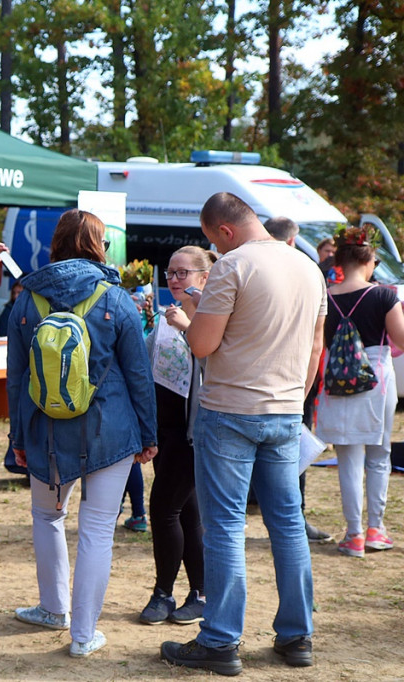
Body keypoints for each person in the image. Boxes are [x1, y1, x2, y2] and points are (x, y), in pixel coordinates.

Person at [161, 192, 325, 675]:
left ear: (224, 232)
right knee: (288, 525)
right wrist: (294, 398)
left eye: (213, 240)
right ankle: (298, 636)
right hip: (285, 411)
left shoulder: (233, 266)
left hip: (230, 410)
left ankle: (219, 640)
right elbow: (315, 347)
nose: (216, 248)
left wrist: (190, 322)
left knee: (226, 527)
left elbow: (203, 344)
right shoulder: (308, 268)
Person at [7, 209, 157, 658]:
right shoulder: (115, 297)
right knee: (96, 530)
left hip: (44, 431)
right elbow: (138, 375)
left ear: (56, 243)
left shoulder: (25, 299)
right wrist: (149, 433)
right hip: (109, 432)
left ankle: (54, 609)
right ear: (98, 245)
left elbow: (17, 378)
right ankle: (83, 634)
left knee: (47, 517)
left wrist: (18, 435)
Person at [314, 226, 404, 558]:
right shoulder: (383, 295)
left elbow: (319, 342)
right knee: (379, 456)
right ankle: (375, 530)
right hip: (376, 379)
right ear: (369, 260)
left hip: (337, 379)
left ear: (339, 259)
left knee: (349, 458)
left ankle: (353, 535)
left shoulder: (326, 294)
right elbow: (401, 339)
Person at [138, 245, 215, 626]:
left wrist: (187, 328)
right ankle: (201, 593)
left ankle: (163, 594)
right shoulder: (165, 316)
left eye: (182, 273)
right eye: (170, 272)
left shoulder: (212, 317)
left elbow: (216, 365)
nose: (173, 280)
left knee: (163, 509)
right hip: (164, 432)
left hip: (192, 433)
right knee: (186, 511)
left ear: (203, 278)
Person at [263, 216, 332, 544]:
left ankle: (283, 513)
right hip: (292, 383)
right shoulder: (306, 272)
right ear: (291, 241)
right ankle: (295, 517)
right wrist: (305, 390)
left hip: (255, 383)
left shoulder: (253, 268)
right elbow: (316, 342)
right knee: (291, 454)